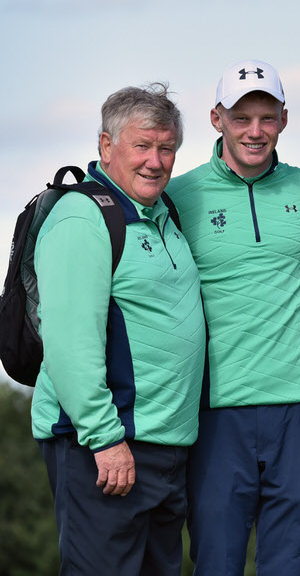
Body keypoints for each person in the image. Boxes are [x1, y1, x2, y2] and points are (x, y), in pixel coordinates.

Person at [31, 83, 205, 575]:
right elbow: (69, 343)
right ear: (106, 147)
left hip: (165, 448)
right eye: (142, 146)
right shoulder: (83, 217)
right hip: (107, 448)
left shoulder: (162, 214)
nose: (156, 161)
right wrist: (105, 438)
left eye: (166, 148)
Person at [166, 60, 300, 575]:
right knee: (217, 562)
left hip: (296, 409)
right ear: (216, 118)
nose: (254, 131)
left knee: (288, 564)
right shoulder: (179, 195)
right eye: (241, 118)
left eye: (266, 117)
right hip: (216, 410)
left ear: (284, 118)